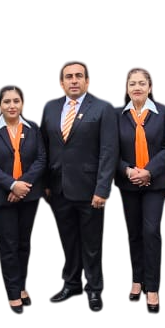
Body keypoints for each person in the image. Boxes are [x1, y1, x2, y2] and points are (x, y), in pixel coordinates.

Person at [41, 60, 119, 311]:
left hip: (90, 190)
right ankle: (71, 284)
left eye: (78, 76)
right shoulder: (49, 107)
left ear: (87, 81)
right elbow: (44, 147)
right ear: (61, 83)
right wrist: (45, 183)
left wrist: (102, 189)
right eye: (68, 77)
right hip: (58, 189)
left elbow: (109, 151)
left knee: (91, 243)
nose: (73, 80)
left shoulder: (104, 107)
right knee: (68, 240)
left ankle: (94, 288)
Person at [0, 84, 48, 313]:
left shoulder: (33, 127)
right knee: (9, 245)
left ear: (23, 104)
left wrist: (22, 185)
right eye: (6, 101)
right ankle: (12, 293)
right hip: (2, 197)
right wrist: (11, 185)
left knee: (24, 244)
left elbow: (41, 159)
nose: (12, 106)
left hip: (28, 195)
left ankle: (23, 286)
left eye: (16, 101)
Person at [115, 66, 165, 312]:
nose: (137, 88)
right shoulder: (117, 114)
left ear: (150, 87)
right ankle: (137, 280)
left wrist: (149, 171)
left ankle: (152, 287)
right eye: (132, 84)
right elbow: (111, 150)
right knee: (134, 233)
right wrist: (127, 170)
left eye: (142, 83)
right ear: (126, 88)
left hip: (155, 182)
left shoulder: (162, 111)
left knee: (150, 231)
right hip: (129, 182)